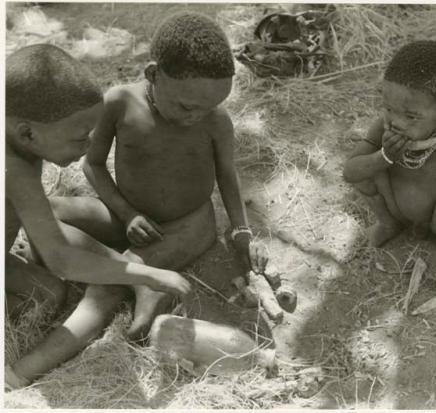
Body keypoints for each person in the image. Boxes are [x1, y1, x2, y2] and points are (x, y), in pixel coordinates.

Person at [50, 11, 268, 342]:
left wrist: (241, 231)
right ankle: (133, 273)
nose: (196, 116)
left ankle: (27, 368)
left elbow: (226, 174)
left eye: (207, 108)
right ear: (154, 74)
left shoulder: (216, 122)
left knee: (104, 286)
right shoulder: (120, 103)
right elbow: (92, 165)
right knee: (44, 211)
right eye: (185, 107)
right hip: (129, 213)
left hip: (187, 226)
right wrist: (127, 215)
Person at [5, 44, 191, 389]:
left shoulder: (22, 144)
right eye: (80, 136)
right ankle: (12, 380)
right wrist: (147, 274)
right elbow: (61, 260)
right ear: (27, 132)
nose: (90, 146)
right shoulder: (12, 167)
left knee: (48, 295)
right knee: (48, 294)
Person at [343, 40, 436, 282]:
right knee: (366, 169)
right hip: (395, 210)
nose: (396, 122)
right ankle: (389, 225)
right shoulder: (383, 128)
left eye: (411, 116)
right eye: (389, 108)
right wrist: (383, 157)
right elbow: (350, 172)